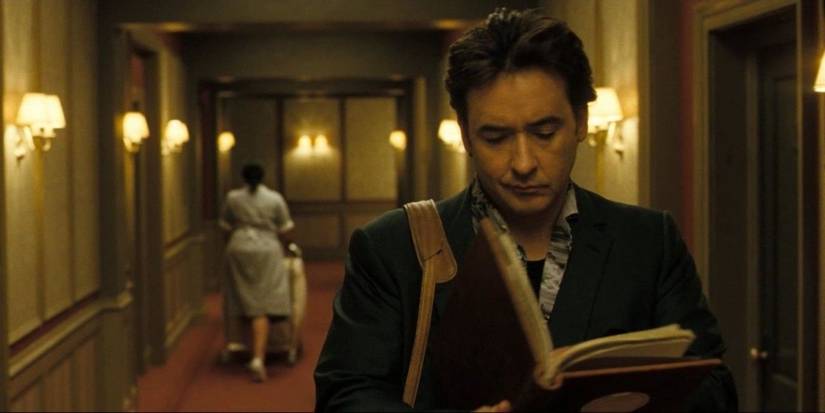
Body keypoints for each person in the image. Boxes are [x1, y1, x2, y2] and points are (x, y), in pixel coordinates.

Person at [314, 8, 737, 412]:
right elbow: (345, 398)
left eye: (544, 132)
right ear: (466, 135)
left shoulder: (648, 241)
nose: (522, 163)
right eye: (495, 138)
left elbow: (714, 386)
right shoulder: (392, 246)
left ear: (580, 121)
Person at [220, 163, 294, 382]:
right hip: (267, 250)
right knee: (262, 302)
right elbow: (286, 228)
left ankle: (244, 345)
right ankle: (258, 357)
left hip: (238, 248)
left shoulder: (233, 198)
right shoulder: (274, 198)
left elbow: (225, 226)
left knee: (243, 299)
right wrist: (288, 247)